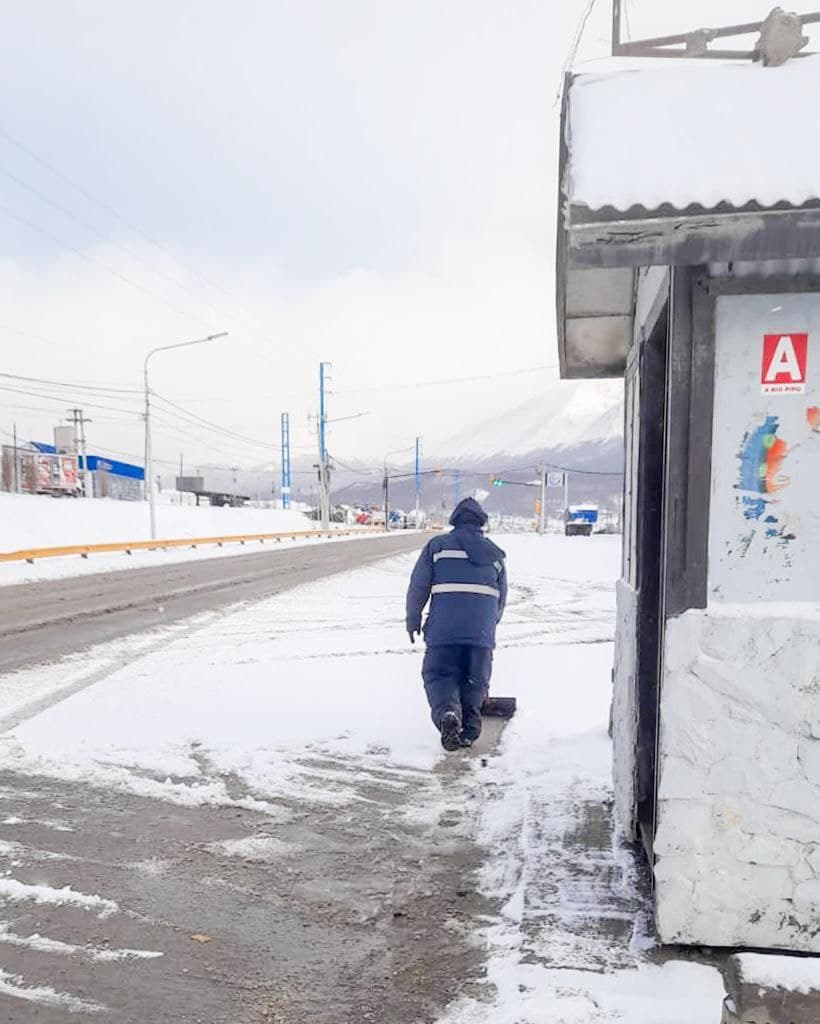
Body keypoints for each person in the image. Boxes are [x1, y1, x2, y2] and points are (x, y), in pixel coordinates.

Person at [406, 497, 507, 751]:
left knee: (439, 675)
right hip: (480, 633)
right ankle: (470, 730)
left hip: (443, 631)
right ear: (481, 523)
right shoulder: (494, 555)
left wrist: (413, 619)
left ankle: (448, 714)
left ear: (455, 520)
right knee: (475, 680)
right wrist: (486, 628)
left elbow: (418, 586)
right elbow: (501, 599)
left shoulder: (437, 547)